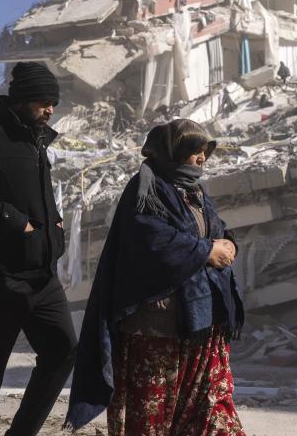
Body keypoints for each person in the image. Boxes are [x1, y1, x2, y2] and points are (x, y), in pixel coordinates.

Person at [66, 119, 245, 435]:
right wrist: (204, 251)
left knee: (213, 415)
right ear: (172, 152)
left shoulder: (195, 191)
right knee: (152, 419)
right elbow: (151, 241)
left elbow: (212, 229)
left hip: (203, 322)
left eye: (205, 152)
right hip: (158, 326)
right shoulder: (146, 188)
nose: (202, 159)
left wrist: (227, 242)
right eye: (195, 152)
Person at [0, 62, 77, 436]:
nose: (50, 109)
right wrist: (15, 221)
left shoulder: (36, 140)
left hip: (41, 275)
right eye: (43, 101)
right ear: (21, 98)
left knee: (63, 351)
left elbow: (39, 197)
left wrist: (54, 226)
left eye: (53, 102)